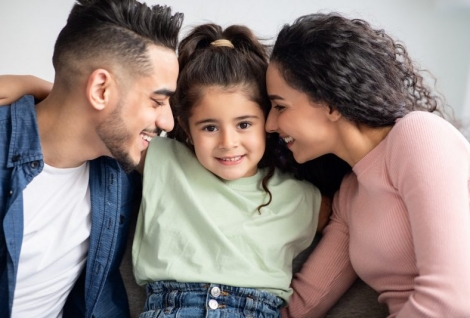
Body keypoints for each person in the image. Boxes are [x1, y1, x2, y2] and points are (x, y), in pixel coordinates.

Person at [264, 12, 470, 317]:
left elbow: (452, 299)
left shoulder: (418, 136)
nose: (270, 124)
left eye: (280, 106)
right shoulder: (351, 193)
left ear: (330, 103)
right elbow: (302, 306)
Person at [131, 23, 332, 318]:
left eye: (244, 124)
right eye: (210, 127)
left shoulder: (300, 197)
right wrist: (39, 88)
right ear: (186, 126)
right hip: (172, 308)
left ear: (269, 121)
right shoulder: (162, 159)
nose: (228, 142)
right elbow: (101, 123)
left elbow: (358, 217)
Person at [0, 0, 183, 316]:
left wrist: (41, 88)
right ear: (100, 89)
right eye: (157, 101)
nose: (168, 122)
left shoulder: (119, 163)